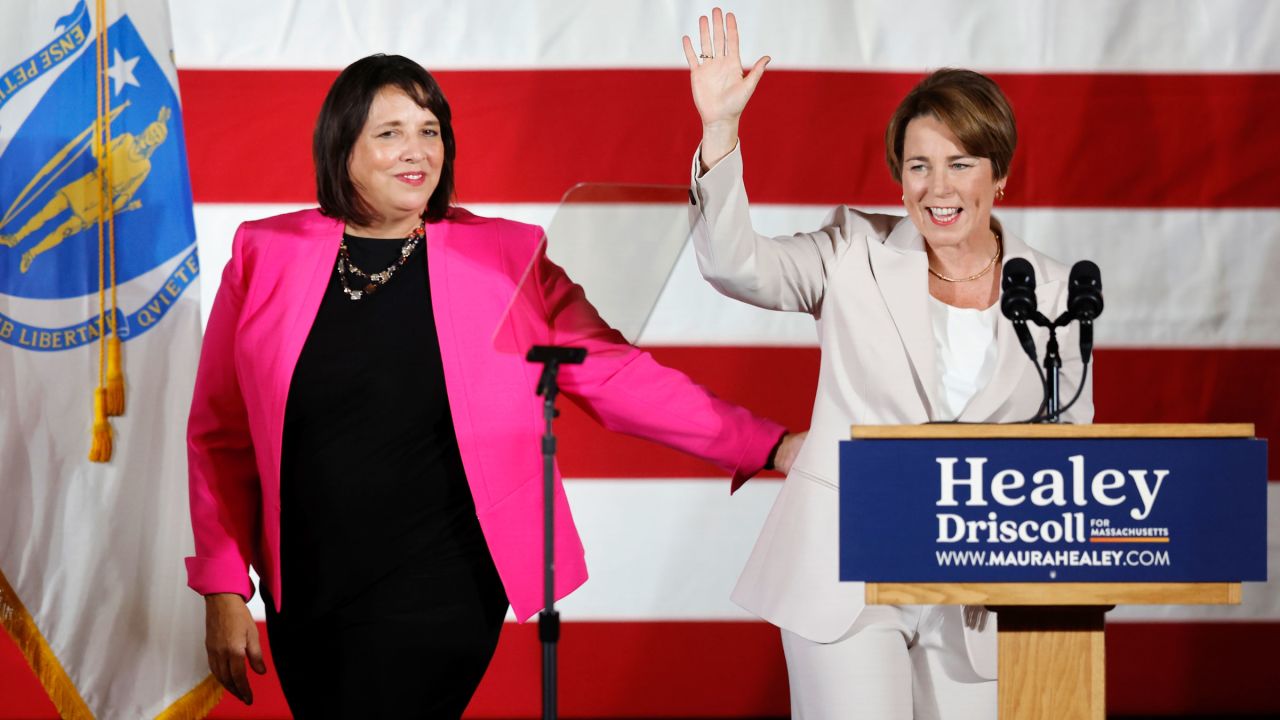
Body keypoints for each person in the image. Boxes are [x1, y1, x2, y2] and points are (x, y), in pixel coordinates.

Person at [186, 53, 801, 718]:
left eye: (430, 130)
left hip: (442, 577)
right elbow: (221, 433)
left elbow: (615, 375)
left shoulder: (506, 254)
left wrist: (767, 444)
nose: (416, 150)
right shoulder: (263, 252)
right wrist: (223, 586)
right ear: (341, 145)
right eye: (389, 132)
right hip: (305, 587)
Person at [681, 9, 1093, 719]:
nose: (938, 187)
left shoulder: (1053, 288)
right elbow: (736, 265)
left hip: (979, 591)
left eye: (961, 164)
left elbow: (1073, 444)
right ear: (898, 176)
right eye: (919, 165)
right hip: (847, 573)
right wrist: (721, 132)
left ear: (1000, 177)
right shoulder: (852, 252)